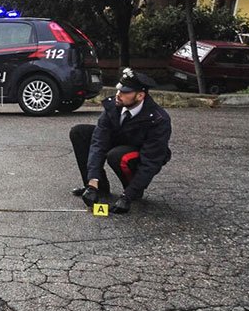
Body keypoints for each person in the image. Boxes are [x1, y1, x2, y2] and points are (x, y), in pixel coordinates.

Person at [68, 68, 172, 214]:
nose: (118, 95)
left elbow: (151, 161)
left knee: (116, 155)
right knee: (80, 133)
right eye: (118, 90)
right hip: (119, 142)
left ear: (140, 95)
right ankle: (99, 189)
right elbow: (99, 142)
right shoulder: (114, 106)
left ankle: (132, 191)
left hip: (139, 152)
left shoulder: (158, 119)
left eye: (125, 92)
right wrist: (92, 182)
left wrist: (128, 196)